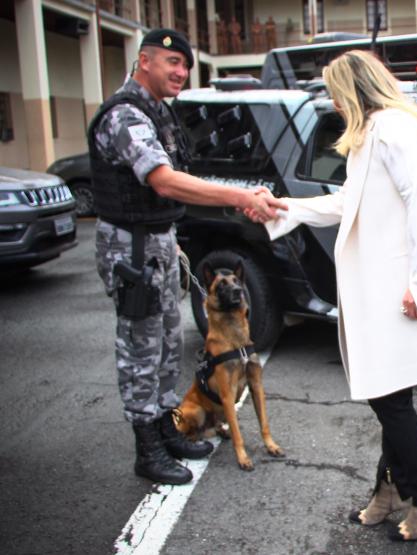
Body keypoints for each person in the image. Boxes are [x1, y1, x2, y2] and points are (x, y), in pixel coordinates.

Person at [260, 50, 417, 541]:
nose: (332, 104)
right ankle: (388, 490)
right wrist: (289, 208)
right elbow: (350, 201)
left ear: (353, 90)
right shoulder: (375, 132)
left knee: (387, 395)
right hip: (386, 283)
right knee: (391, 390)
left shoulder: (395, 129)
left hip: (400, 285)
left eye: (333, 93)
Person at [88, 29, 286, 486]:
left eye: (185, 66)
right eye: (172, 62)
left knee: (166, 348)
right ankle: (148, 449)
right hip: (131, 249)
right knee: (140, 350)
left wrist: (172, 240)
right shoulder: (125, 116)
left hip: (157, 242)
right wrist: (239, 197)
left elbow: (164, 191)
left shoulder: (157, 114)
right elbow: (163, 181)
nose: (180, 73)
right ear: (144, 61)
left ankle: (166, 429)